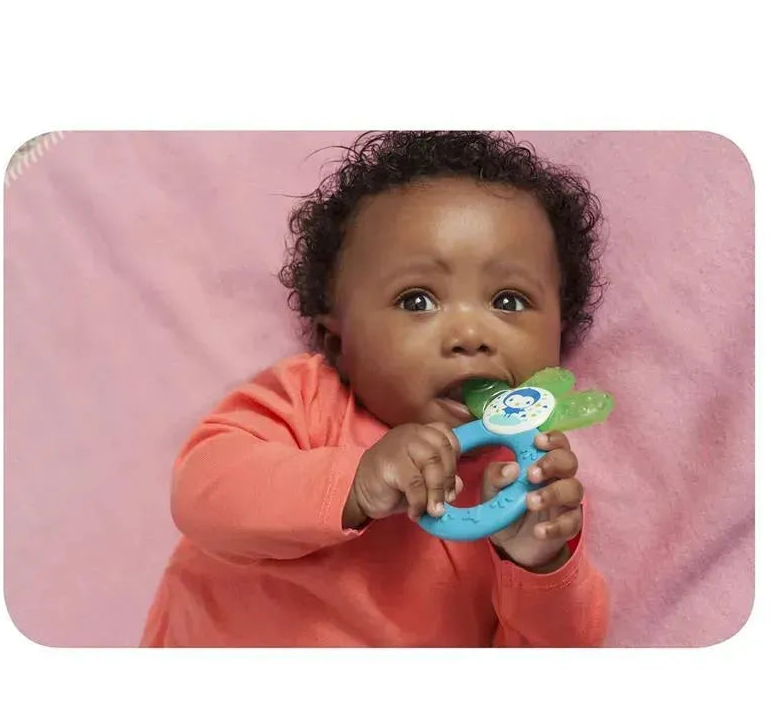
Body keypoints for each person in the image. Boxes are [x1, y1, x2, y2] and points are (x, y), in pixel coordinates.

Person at [142, 131, 609, 647]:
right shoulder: (306, 399)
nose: (471, 335)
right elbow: (203, 492)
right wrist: (356, 483)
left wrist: (540, 565)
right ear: (337, 342)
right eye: (417, 301)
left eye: (509, 301)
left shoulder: (533, 481)